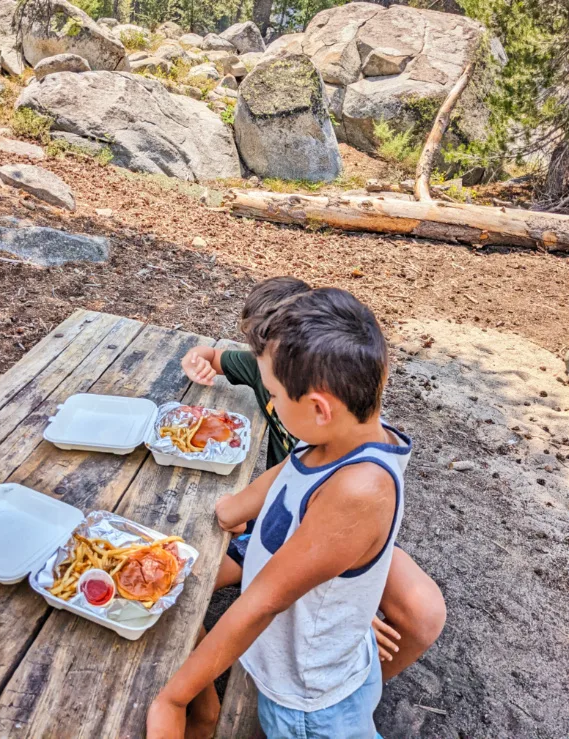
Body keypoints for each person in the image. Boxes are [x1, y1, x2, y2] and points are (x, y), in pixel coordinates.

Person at [146, 287, 436, 739]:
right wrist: (230, 510)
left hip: (310, 708)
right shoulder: (336, 438)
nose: (273, 404)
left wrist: (175, 697)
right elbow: (286, 472)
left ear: (319, 408)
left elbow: (262, 602)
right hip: (299, 665)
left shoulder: (359, 490)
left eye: (276, 395)